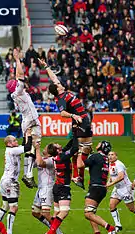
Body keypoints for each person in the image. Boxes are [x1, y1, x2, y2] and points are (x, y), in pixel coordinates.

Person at [39, 58, 92, 189]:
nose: (59, 82)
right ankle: (79, 175)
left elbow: (53, 78)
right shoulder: (61, 99)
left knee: (80, 149)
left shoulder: (61, 90)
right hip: (80, 120)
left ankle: (76, 175)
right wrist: (74, 115)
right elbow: (62, 113)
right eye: (57, 84)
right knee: (85, 148)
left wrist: (46, 67)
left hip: (81, 119)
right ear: (57, 89)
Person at [7, 49, 42, 189]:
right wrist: (17, 59)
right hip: (32, 119)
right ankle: (28, 174)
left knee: (29, 148)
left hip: (25, 120)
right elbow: (20, 75)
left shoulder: (14, 94)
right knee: (35, 145)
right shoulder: (19, 90)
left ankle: (28, 174)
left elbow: (18, 76)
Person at [0, 131, 33, 234]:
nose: (16, 141)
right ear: (9, 143)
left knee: (5, 206)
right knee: (14, 207)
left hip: (4, 180)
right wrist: (29, 134)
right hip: (10, 182)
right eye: (14, 140)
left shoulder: (12, 149)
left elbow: (24, 145)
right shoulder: (12, 150)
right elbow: (28, 147)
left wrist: (26, 134)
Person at [77, 141, 117, 234]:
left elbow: (80, 165)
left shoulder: (95, 157)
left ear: (102, 147)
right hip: (101, 188)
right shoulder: (105, 158)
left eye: (99, 143)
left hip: (95, 188)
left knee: (88, 213)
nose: (97, 144)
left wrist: (79, 153)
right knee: (91, 212)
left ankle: (110, 228)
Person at [42, 136, 79, 234]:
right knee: (64, 211)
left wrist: (75, 133)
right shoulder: (62, 157)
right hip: (63, 187)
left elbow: (69, 146)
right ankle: (49, 233)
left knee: (56, 212)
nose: (58, 144)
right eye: (56, 144)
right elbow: (74, 148)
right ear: (57, 150)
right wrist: (77, 138)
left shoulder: (59, 156)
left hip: (57, 187)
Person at [107, 151, 135, 232]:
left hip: (126, 189)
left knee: (131, 208)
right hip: (117, 188)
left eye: (112, 155)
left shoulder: (119, 164)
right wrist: (107, 185)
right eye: (109, 155)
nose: (110, 156)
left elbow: (121, 176)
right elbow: (111, 176)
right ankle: (118, 225)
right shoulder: (110, 164)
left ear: (116, 156)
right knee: (112, 205)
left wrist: (110, 185)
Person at [33, 143, 66, 234]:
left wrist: (37, 149)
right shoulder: (43, 158)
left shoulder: (52, 160)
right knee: (35, 212)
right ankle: (55, 232)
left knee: (46, 213)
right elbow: (34, 163)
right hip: (40, 188)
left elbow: (39, 163)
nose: (44, 148)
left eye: (46, 147)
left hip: (47, 188)